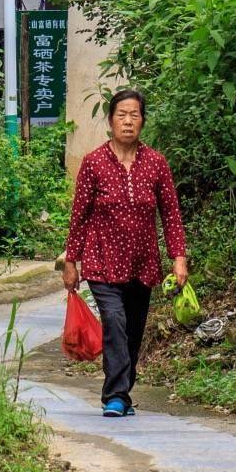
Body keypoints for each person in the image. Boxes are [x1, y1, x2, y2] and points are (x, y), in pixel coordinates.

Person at [62, 87, 187, 417]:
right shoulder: (94, 164)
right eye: (122, 115)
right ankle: (115, 395)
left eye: (134, 115)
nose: (128, 122)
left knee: (133, 329)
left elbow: (171, 213)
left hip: (142, 262)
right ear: (111, 121)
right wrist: (71, 261)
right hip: (101, 260)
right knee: (115, 321)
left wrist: (178, 258)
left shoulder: (156, 164)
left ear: (143, 121)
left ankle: (123, 392)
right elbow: (80, 215)